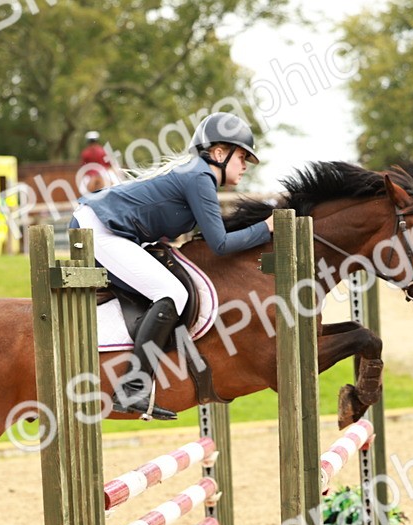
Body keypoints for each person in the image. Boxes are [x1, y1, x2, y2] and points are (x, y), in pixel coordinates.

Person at [70, 111, 273, 419]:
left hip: (107, 228)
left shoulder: (198, 176)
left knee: (168, 289)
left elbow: (210, 236)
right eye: (242, 156)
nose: (245, 165)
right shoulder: (200, 177)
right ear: (219, 153)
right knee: (172, 292)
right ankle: (132, 388)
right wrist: (267, 228)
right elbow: (219, 245)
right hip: (99, 229)